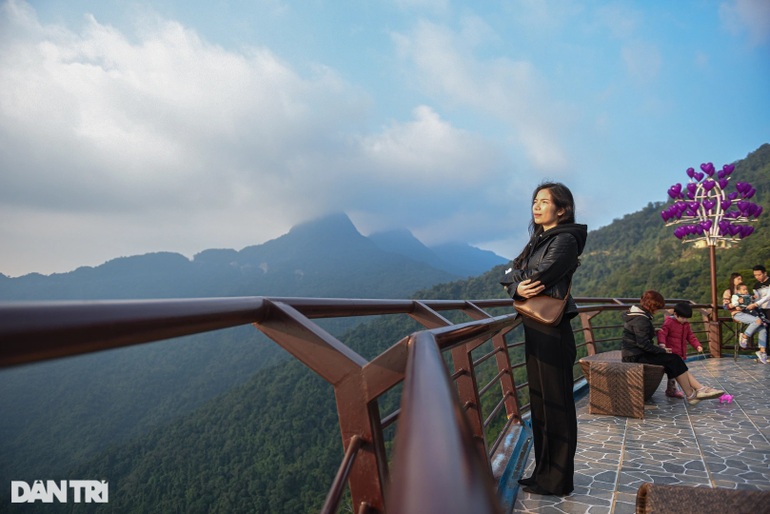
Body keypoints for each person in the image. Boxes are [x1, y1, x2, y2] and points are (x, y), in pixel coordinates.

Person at [500, 182, 587, 497]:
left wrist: (520, 284)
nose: (536, 206)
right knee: (540, 403)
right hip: (536, 328)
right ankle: (543, 472)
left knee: (557, 405)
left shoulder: (565, 240)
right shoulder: (538, 241)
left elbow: (541, 277)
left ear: (561, 209)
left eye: (544, 201)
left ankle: (558, 479)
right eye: (534, 201)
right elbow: (510, 272)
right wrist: (516, 287)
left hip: (552, 331)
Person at [622, 290, 724, 406]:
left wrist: (653, 333)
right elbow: (643, 344)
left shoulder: (638, 316)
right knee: (673, 359)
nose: (658, 310)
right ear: (652, 306)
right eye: (658, 307)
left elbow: (639, 337)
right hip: (635, 357)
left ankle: (695, 392)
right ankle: (695, 392)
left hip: (634, 354)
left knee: (674, 359)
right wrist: (662, 350)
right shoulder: (641, 319)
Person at [657, 302, 703, 398]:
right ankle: (672, 389)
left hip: (680, 352)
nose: (684, 320)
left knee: (675, 373)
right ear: (675, 314)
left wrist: (697, 345)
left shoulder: (686, 324)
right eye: (683, 318)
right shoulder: (669, 322)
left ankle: (671, 389)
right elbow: (662, 333)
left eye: (686, 318)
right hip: (671, 352)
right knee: (674, 372)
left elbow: (690, 336)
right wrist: (662, 344)